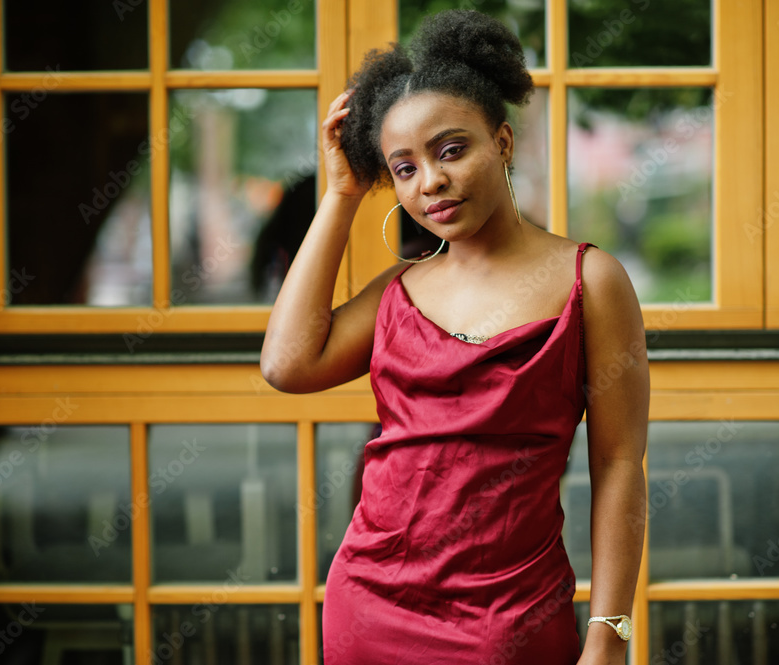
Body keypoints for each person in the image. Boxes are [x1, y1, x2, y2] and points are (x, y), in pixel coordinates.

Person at [261, 10, 648, 665]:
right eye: (403, 168)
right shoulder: (397, 291)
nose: (430, 183)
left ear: (502, 141)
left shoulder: (591, 281)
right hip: (369, 609)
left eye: (450, 150)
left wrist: (608, 634)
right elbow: (286, 364)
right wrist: (341, 193)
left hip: (511, 619)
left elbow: (618, 466)